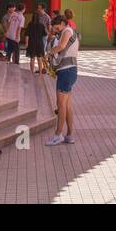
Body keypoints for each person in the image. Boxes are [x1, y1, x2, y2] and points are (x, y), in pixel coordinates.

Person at [45, 14, 79, 146]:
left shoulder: (67, 30)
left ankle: (58, 134)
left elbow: (62, 46)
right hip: (69, 70)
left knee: (60, 105)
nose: (56, 30)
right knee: (67, 105)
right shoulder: (69, 31)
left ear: (62, 23)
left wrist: (49, 52)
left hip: (66, 71)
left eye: (56, 27)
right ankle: (69, 135)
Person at [26, 3, 49, 73]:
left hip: (31, 42)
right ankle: (40, 72)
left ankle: (32, 72)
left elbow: (27, 34)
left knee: (32, 58)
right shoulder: (41, 25)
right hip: (40, 42)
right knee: (39, 58)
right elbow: (45, 34)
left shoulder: (30, 24)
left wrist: (26, 43)